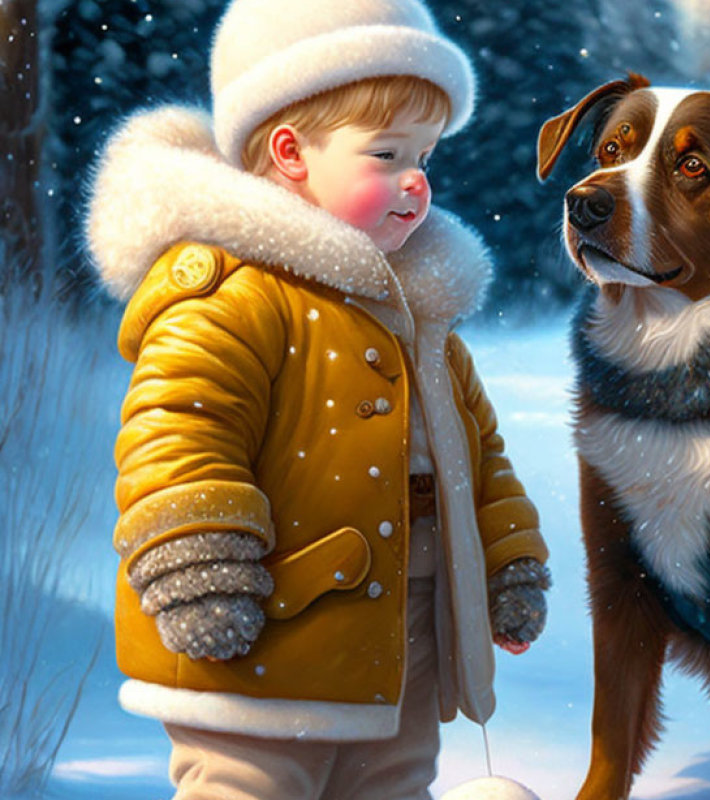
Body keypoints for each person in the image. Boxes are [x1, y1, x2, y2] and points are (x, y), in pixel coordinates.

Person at [85, 1, 550, 797]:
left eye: (426, 154)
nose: (417, 180)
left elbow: (479, 453)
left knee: (392, 783)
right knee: (247, 785)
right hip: (263, 644)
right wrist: (198, 553)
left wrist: (509, 559)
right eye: (386, 153)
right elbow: (179, 428)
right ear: (291, 152)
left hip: (402, 642)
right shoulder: (234, 297)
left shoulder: (419, 313)